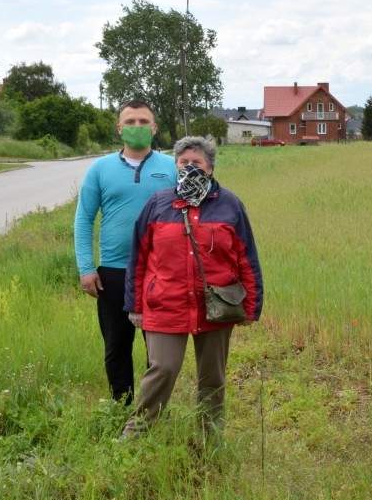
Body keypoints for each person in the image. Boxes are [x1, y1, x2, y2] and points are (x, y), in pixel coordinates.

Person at [121, 136, 263, 437]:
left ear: (210, 167)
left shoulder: (230, 205)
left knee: (212, 377)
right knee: (163, 369)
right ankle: (136, 434)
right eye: (183, 162)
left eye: (196, 162)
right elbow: (139, 257)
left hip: (216, 305)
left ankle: (208, 438)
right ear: (175, 166)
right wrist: (135, 306)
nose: (189, 167)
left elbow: (246, 258)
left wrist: (251, 307)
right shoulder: (158, 203)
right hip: (165, 303)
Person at [74, 99, 177, 405]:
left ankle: (152, 410)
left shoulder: (171, 168)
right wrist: (86, 267)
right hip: (113, 272)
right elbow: (84, 219)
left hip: (160, 272)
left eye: (143, 122)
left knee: (157, 349)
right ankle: (122, 405)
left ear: (154, 128)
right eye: (130, 122)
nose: (137, 127)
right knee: (116, 346)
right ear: (119, 129)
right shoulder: (100, 169)